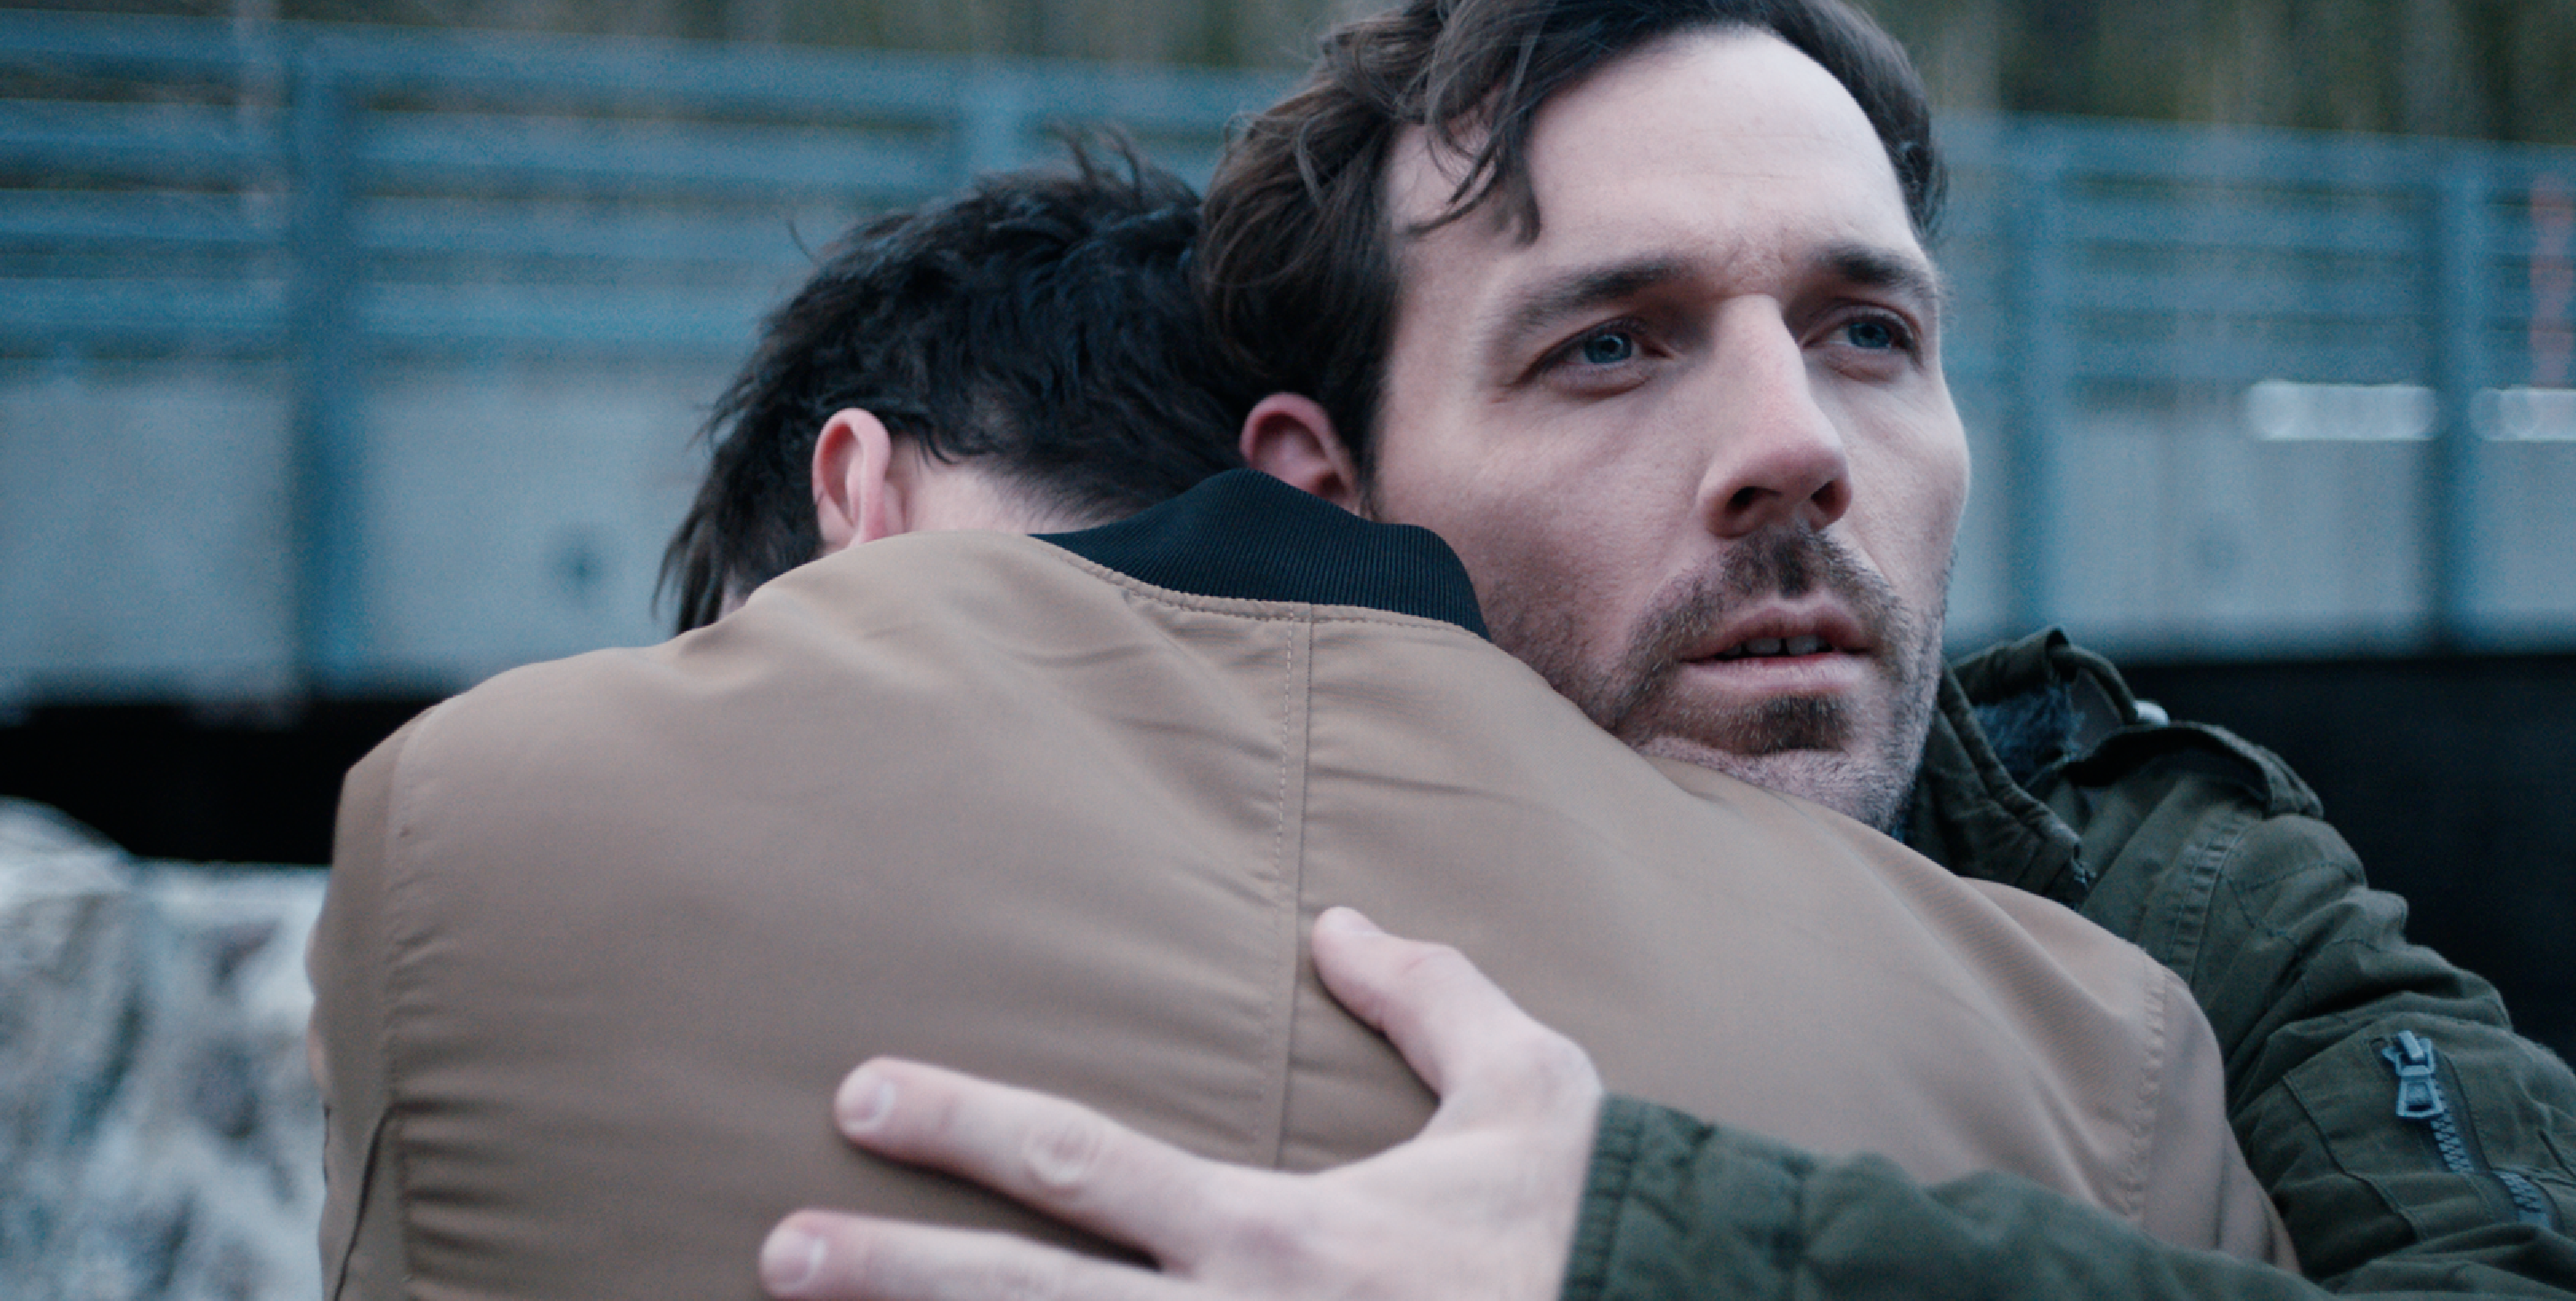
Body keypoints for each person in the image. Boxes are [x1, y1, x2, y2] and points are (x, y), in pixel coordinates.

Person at [757, 0, 2576, 1298]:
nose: (1797, 447)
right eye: (1612, 346)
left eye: (1867, 332)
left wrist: (1632, 1243)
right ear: (1329, 492)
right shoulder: (1162, 905)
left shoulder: (2182, 893)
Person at [306, 145, 2292, 1301]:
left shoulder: (470, 837)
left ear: (856, 494)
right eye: (1620, 343)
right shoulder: (2094, 1034)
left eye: (1868, 329)